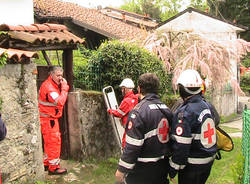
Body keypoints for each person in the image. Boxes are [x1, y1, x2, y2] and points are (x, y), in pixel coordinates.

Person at [115, 73, 172, 184]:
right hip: (162, 166)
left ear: (139, 89)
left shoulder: (138, 112)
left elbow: (132, 146)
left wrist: (121, 170)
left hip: (142, 170)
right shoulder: (166, 109)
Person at [169, 69, 217, 184]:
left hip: (193, 165)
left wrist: (173, 168)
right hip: (208, 160)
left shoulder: (185, 113)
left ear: (182, 89)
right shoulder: (206, 106)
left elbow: (181, 145)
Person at [38, 66, 69, 175]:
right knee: (54, 142)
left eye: (61, 75)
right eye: (58, 75)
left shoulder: (52, 85)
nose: (60, 78)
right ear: (51, 75)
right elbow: (60, 101)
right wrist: (65, 88)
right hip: (49, 119)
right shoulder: (49, 87)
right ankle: (54, 167)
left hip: (48, 118)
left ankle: (46, 163)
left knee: (48, 143)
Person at [107, 78, 139, 148]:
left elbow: (118, 114)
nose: (121, 91)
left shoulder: (126, 101)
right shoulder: (136, 98)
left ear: (126, 89)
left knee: (125, 144)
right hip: (135, 126)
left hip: (129, 127)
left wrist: (110, 110)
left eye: (122, 89)